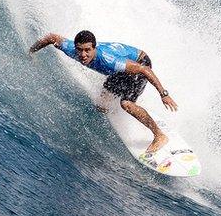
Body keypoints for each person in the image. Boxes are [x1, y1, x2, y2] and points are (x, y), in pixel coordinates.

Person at [29, 30, 178, 153]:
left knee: (126, 104)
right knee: (101, 105)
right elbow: (51, 37)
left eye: (88, 50)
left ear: (94, 48)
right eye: (79, 50)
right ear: (75, 48)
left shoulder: (109, 60)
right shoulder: (70, 49)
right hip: (121, 71)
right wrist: (31, 52)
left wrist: (163, 94)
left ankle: (159, 135)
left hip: (140, 64)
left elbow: (144, 70)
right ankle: (134, 112)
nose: (83, 55)